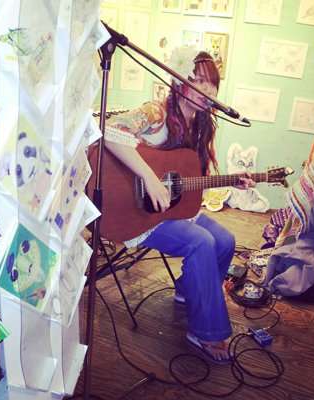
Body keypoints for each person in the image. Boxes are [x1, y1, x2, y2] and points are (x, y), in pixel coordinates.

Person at [103, 46, 255, 363]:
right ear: (178, 80)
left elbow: (186, 179)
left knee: (225, 240)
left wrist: (231, 181)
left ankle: (189, 290)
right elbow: (109, 130)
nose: (207, 90)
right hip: (138, 214)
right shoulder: (156, 113)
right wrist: (149, 177)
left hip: (172, 210)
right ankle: (204, 332)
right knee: (201, 242)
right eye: (198, 80)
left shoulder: (201, 125)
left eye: (213, 83)